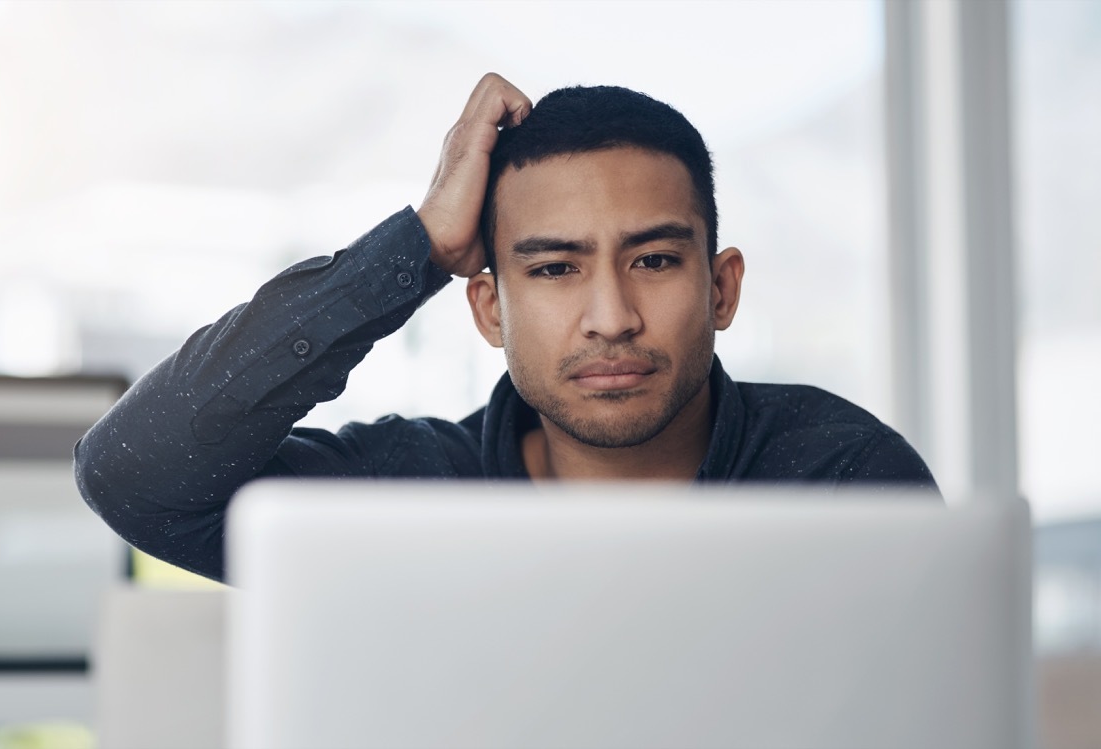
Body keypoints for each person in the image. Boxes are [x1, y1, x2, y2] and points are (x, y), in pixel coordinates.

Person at [75, 74, 937, 582]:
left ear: (722, 287)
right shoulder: (399, 501)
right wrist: (412, 248)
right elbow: (135, 473)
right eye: (555, 269)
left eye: (654, 261)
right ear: (490, 308)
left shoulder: (843, 477)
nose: (612, 318)